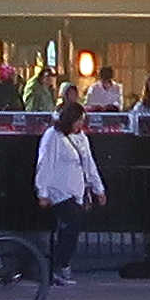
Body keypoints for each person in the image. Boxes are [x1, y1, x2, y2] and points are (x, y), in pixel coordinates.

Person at [35, 101, 107, 285]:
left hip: (77, 192)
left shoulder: (82, 138)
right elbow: (45, 163)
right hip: (59, 192)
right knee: (71, 226)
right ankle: (59, 266)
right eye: (79, 120)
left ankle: (59, 266)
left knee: (71, 229)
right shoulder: (53, 136)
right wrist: (42, 191)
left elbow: (89, 164)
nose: (81, 124)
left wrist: (98, 188)